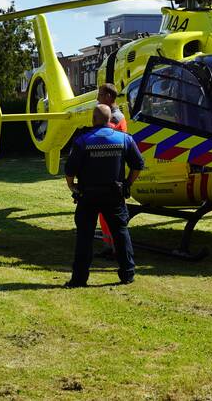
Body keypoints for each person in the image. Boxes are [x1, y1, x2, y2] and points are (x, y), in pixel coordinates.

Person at [64, 104, 144, 288]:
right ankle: (128, 274)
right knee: (120, 233)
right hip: (114, 195)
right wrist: (127, 184)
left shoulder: (82, 141)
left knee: (85, 236)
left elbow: (69, 170)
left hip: (88, 195)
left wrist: (72, 186)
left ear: (93, 119)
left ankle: (79, 279)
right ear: (110, 119)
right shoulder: (124, 139)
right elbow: (138, 164)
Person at [94, 83, 127, 255]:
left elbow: (102, 139)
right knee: (104, 213)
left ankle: (115, 248)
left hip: (111, 174)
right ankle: (109, 245)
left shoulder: (113, 119)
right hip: (109, 171)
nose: (97, 98)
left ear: (108, 96)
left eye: (100, 95)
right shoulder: (115, 116)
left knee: (110, 213)